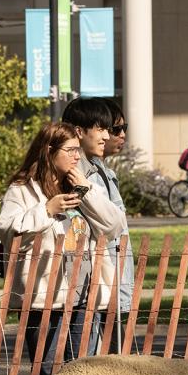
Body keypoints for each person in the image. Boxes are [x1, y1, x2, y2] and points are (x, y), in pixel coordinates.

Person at [0, 122, 125, 375]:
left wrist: (87, 188)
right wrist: (47, 210)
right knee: (47, 372)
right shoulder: (22, 190)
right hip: (44, 297)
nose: (77, 156)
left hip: (82, 293)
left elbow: (114, 225)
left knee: (79, 371)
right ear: (49, 151)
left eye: (78, 150)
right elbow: (7, 230)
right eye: (70, 150)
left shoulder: (81, 186)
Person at [63, 97, 135, 355]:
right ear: (80, 132)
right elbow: (111, 225)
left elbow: (117, 228)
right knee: (86, 362)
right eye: (104, 129)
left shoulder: (98, 170)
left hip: (104, 283)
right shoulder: (76, 173)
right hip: (88, 284)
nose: (110, 136)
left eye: (111, 129)